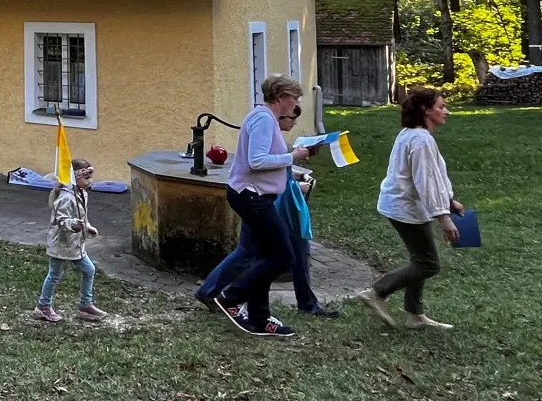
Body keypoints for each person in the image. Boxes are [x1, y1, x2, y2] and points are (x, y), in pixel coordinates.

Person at [196, 103, 338, 319]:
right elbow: (261, 165)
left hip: (267, 200)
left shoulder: (274, 134)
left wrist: (294, 175)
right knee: (269, 252)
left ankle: (215, 294)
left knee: (258, 251)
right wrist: (295, 174)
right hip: (265, 202)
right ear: (280, 116)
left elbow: (278, 168)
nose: (293, 122)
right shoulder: (264, 125)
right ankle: (226, 297)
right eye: (291, 117)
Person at [355, 88, 464, 331]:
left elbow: (430, 177)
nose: (446, 111)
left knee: (419, 260)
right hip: (405, 208)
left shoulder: (412, 134)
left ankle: (415, 315)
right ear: (426, 110)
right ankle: (376, 292)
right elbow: (425, 181)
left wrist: (448, 201)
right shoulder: (421, 140)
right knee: (428, 264)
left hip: (403, 205)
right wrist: (444, 217)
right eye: (441, 106)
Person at [212, 74, 304, 338]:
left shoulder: (264, 118)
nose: (296, 103)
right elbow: (257, 161)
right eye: (294, 97)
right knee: (284, 255)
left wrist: (291, 163)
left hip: (256, 195)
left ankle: (260, 318)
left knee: (265, 255)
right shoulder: (264, 119)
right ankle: (231, 297)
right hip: (251, 196)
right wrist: (292, 156)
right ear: (280, 97)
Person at [33, 158, 107, 323]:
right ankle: (43, 306)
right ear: (74, 178)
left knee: (89, 270)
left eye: (90, 177)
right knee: (55, 274)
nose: (90, 181)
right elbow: (62, 220)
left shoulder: (82, 194)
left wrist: (87, 226)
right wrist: (73, 225)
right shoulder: (66, 198)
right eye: (86, 178)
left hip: (75, 244)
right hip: (61, 244)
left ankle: (85, 305)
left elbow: (81, 216)